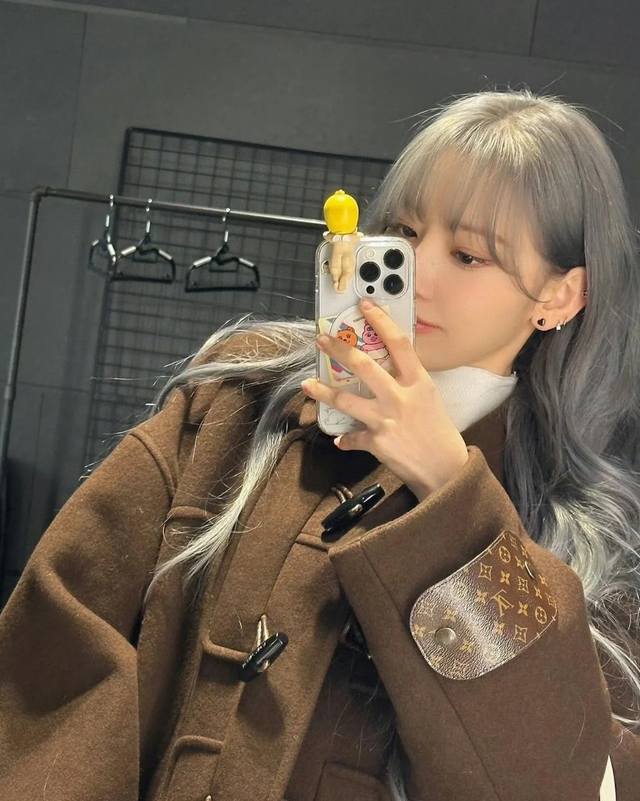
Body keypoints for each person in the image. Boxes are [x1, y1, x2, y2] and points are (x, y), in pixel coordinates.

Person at [1, 87, 639, 801]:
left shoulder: (587, 540)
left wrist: (448, 487)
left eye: (467, 255)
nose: (416, 273)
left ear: (559, 296)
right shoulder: (239, 401)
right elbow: (56, 647)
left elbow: (546, 776)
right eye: (403, 231)